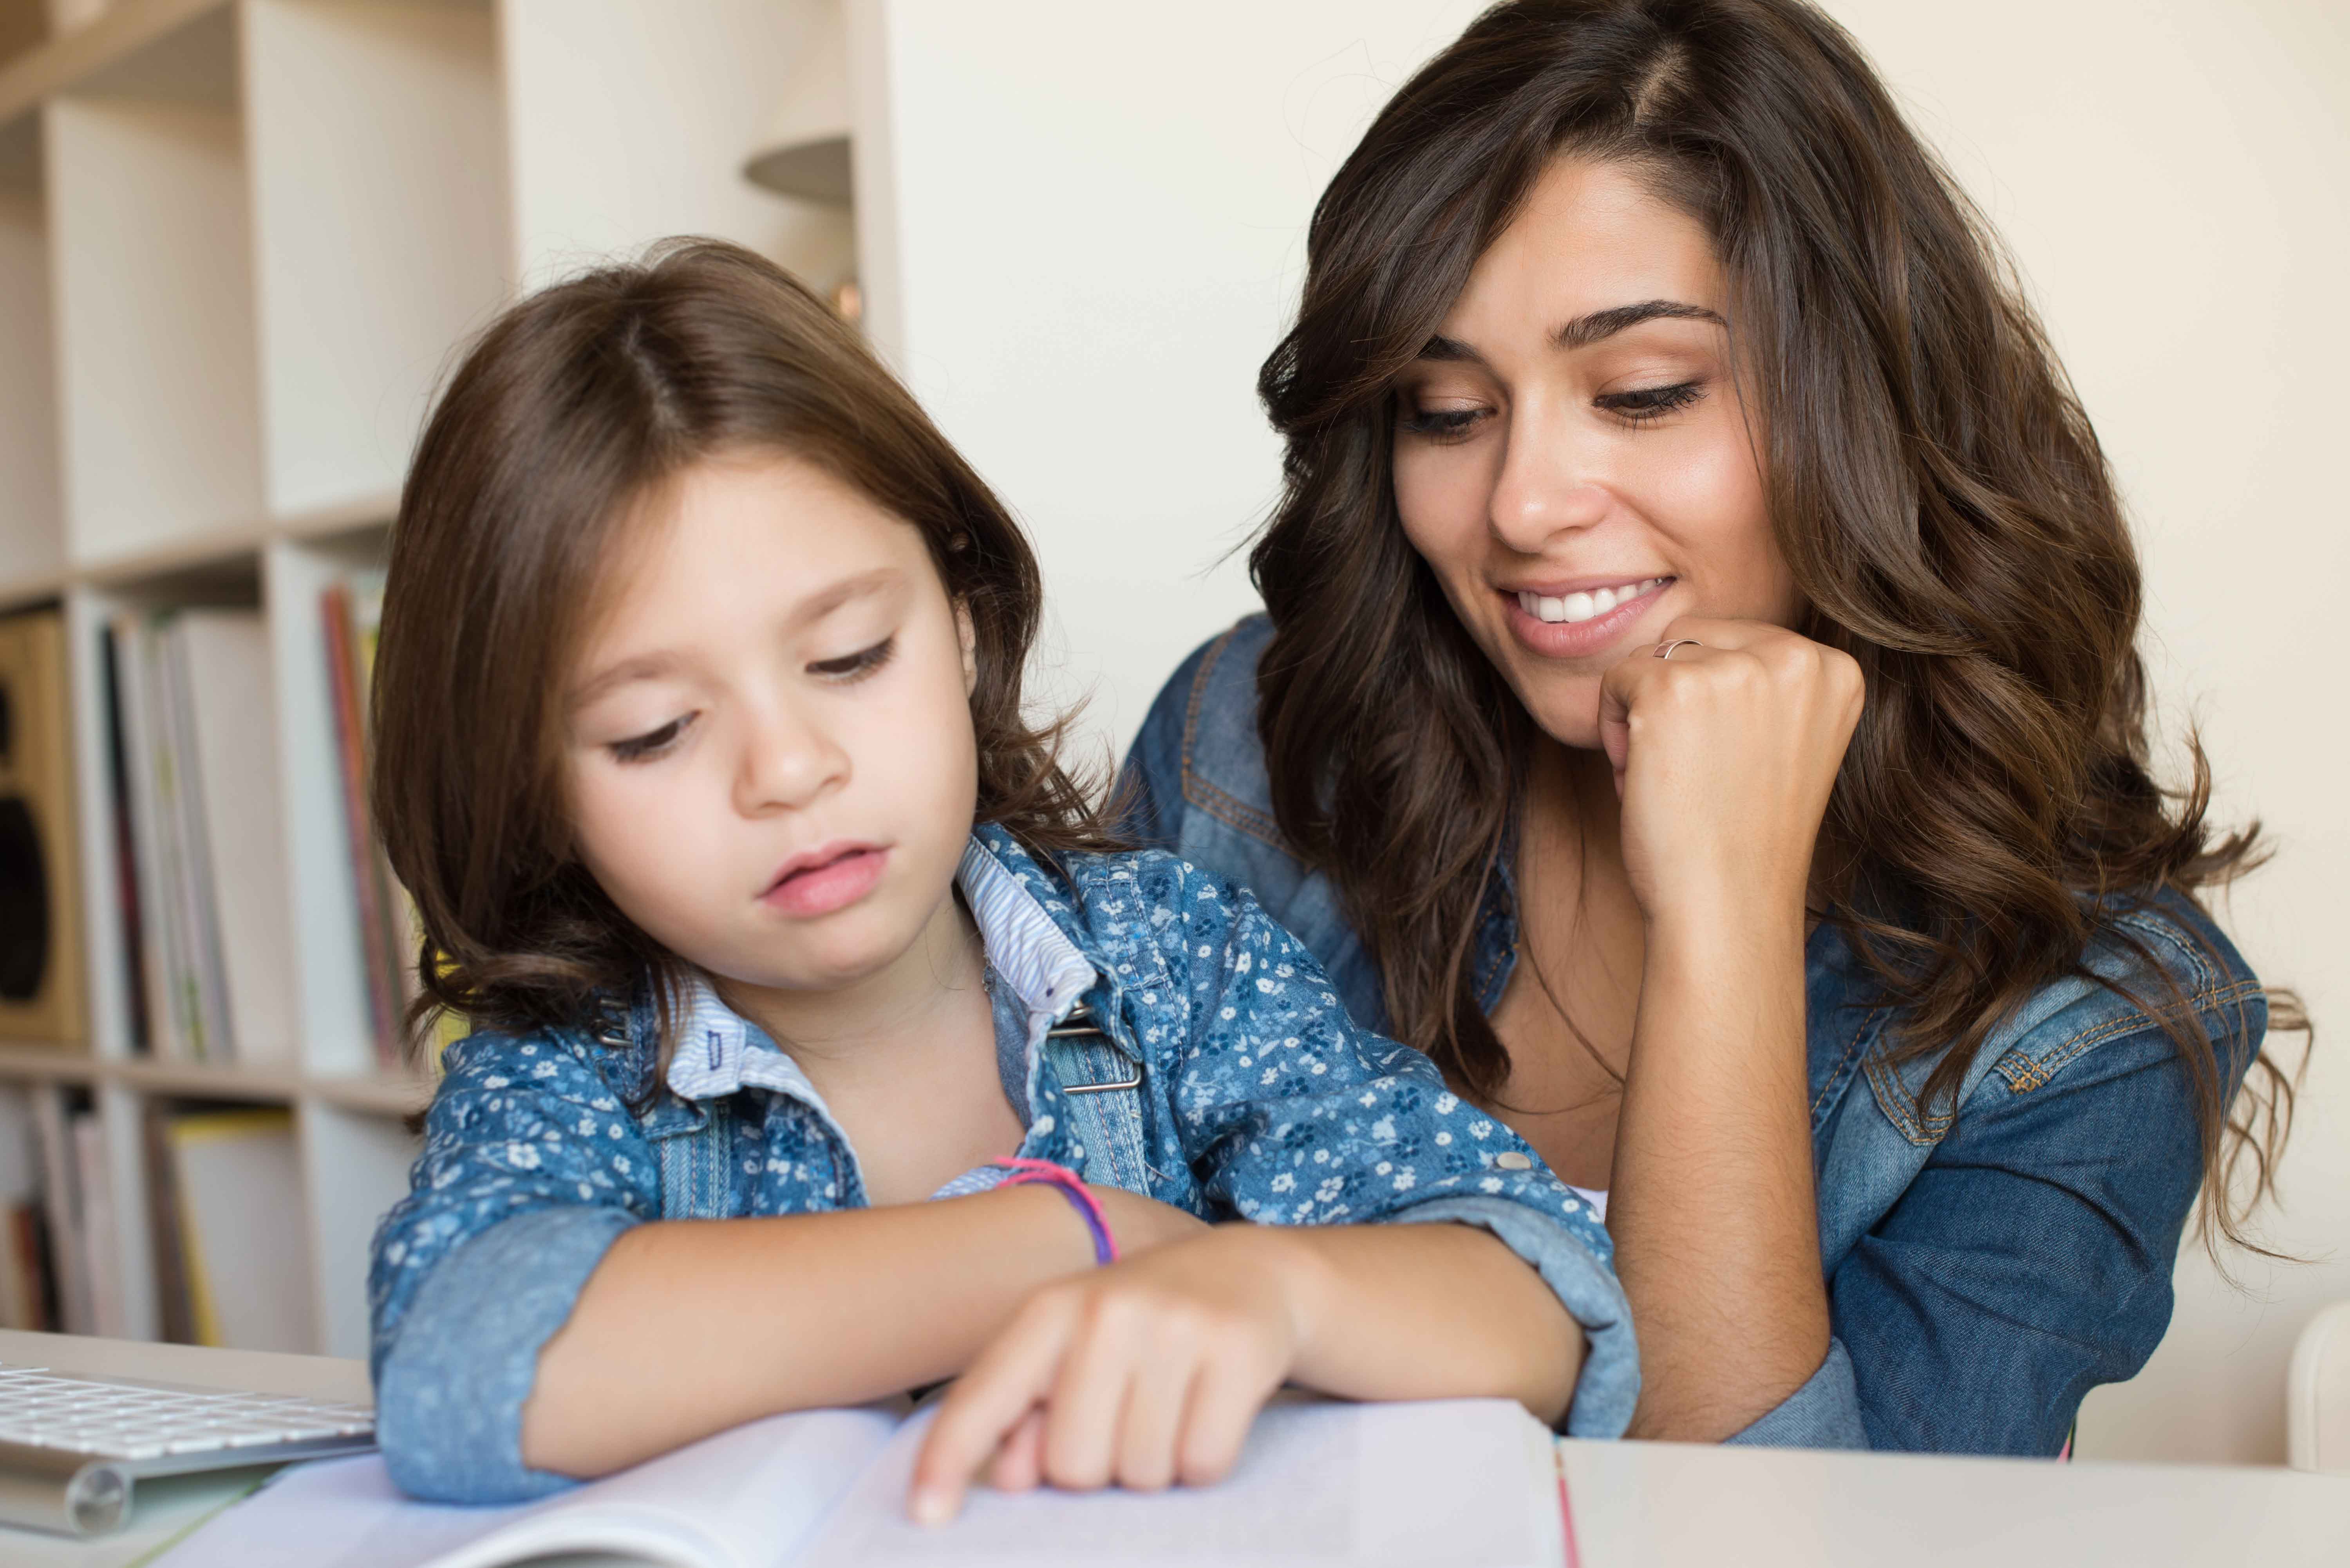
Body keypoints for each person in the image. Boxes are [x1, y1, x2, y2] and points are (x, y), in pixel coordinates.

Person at [1123, 0, 2297, 1455]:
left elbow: (1767, 1541)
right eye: (1445, 408)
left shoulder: (2086, 1026)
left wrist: (1728, 910)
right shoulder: (1244, 750)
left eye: (1642, 392)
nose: (1522, 504)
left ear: (1860, 401)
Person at [362, 240, 1631, 1515]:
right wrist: (1080, 1240)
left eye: (852, 656)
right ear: (536, 787)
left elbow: (1539, 1295)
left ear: (962, 623)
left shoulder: (1166, 961)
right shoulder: (577, 1061)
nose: (789, 770)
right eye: (654, 732)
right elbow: (466, 1369)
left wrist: (1275, 1293)